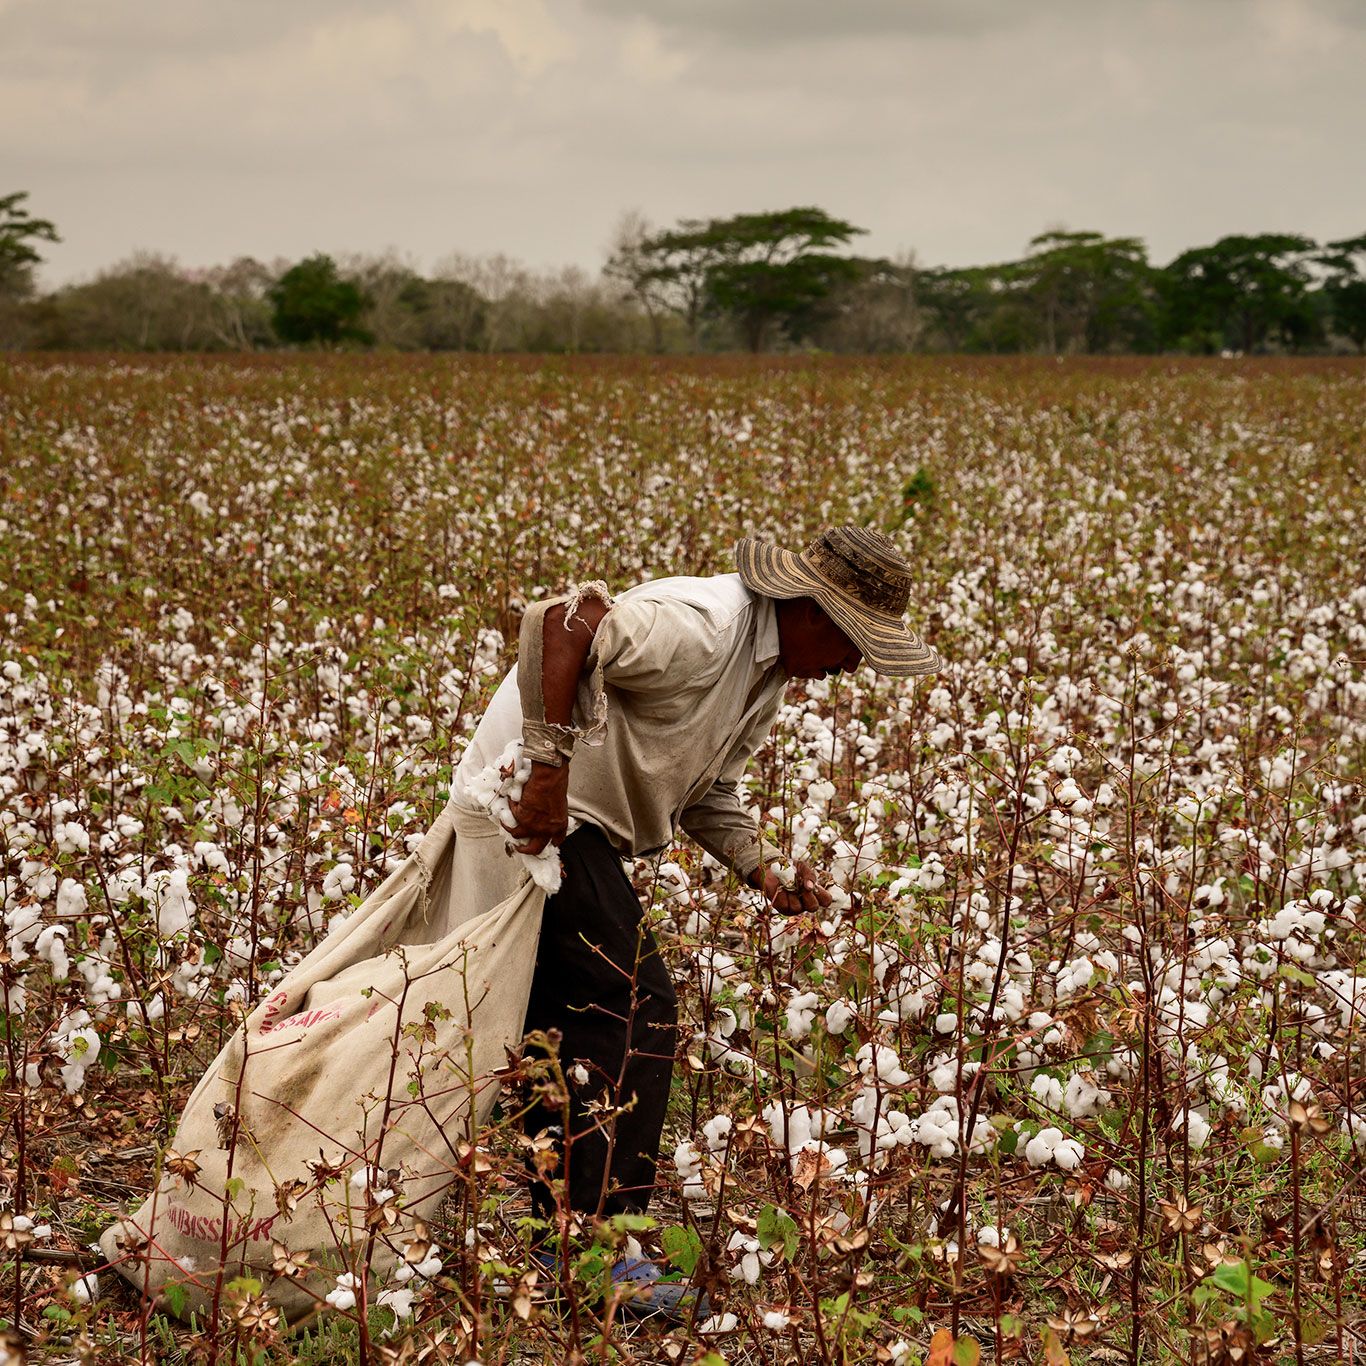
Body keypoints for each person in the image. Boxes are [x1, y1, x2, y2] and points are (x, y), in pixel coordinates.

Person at [450, 525, 939, 1317]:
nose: (851, 669)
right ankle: (595, 1255)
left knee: (558, 1030)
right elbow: (559, 620)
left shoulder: (767, 674)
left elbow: (708, 793)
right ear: (816, 613)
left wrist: (761, 866)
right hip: (532, 811)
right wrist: (546, 764)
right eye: (855, 646)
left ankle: (560, 1240)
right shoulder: (703, 626)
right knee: (632, 1006)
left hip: (565, 824)